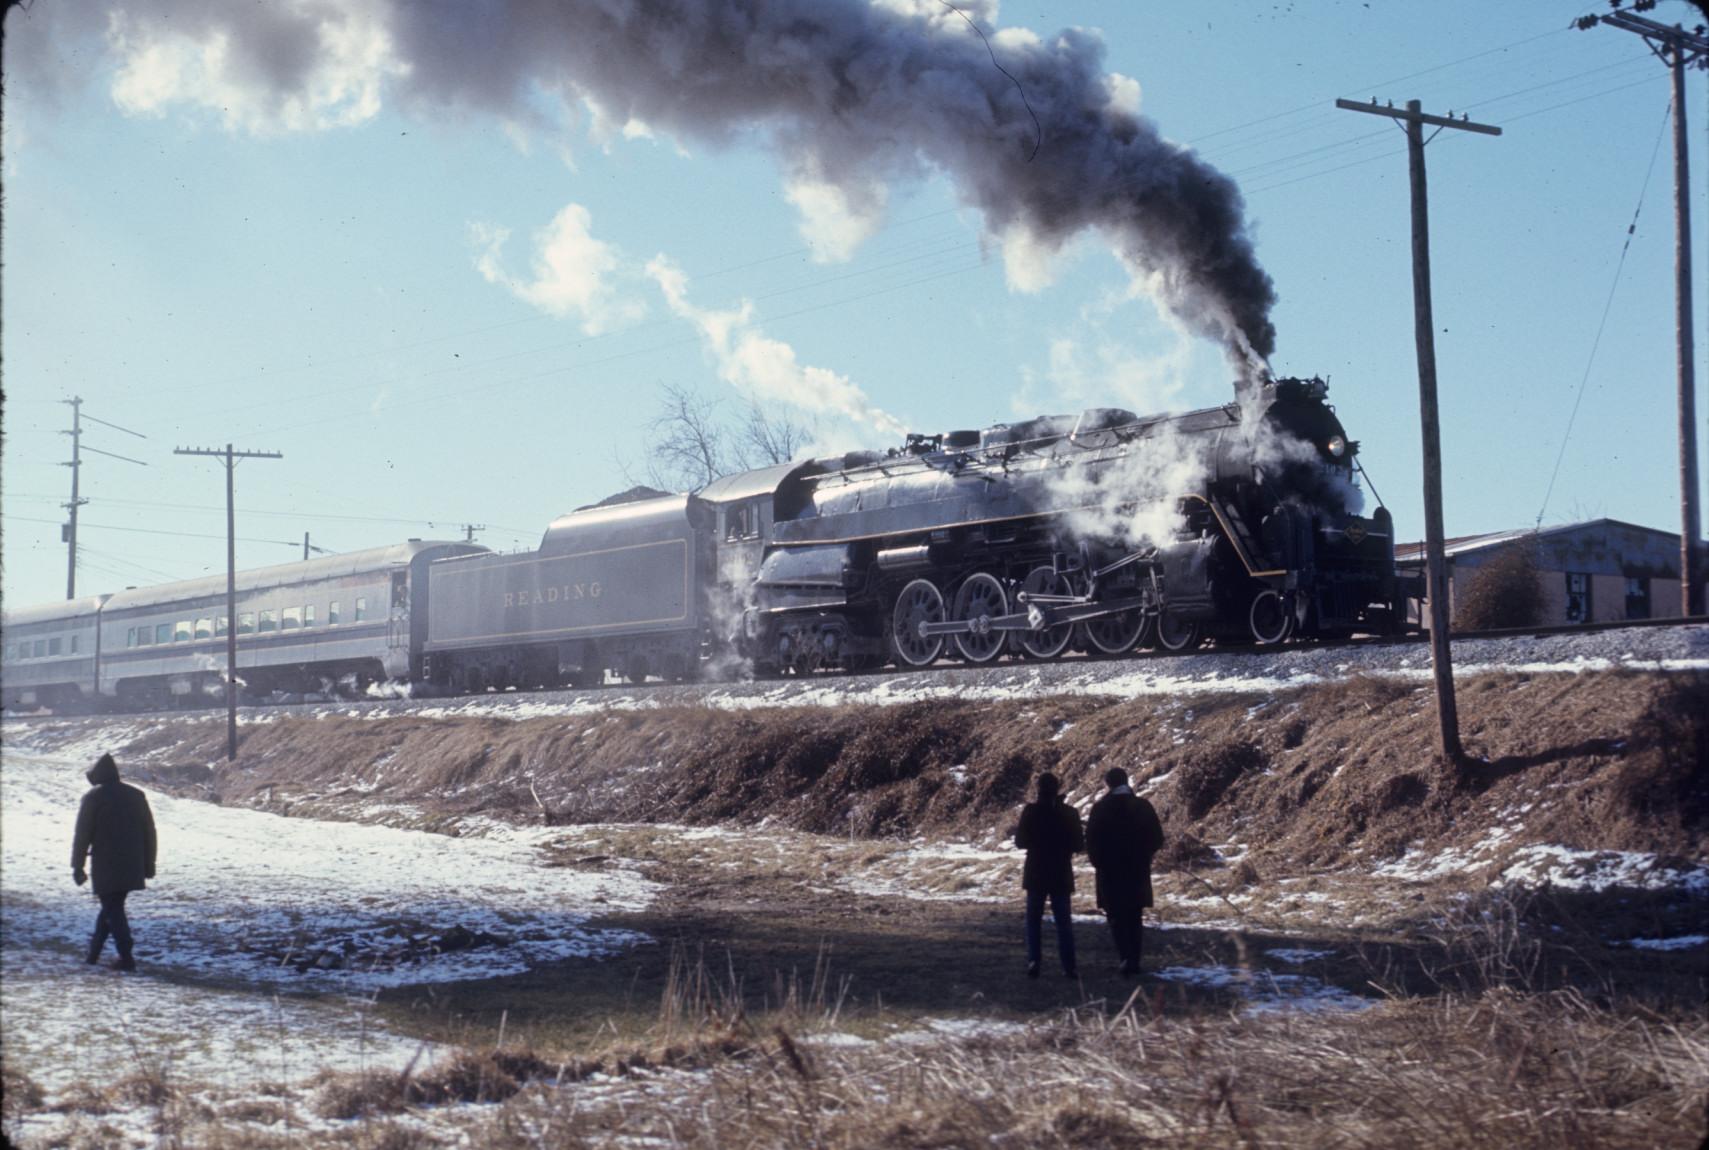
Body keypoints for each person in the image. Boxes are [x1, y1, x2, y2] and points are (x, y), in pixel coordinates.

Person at [71, 753, 157, 972]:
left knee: (112, 907)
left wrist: (77, 866)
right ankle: (93, 955)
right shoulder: (136, 795)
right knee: (111, 907)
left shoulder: (93, 798)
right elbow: (149, 833)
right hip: (132, 864)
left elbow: (83, 834)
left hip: (106, 864)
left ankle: (126, 956)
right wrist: (149, 863)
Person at [1085, 767, 1164, 977]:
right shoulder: (1142, 806)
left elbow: (1091, 841)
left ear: (1108, 784)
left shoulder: (1101, 808)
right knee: (1134, 915)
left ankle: (1125, 957)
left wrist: (1099, 863)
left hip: (1110, 870)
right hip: (1137, 869)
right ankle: (1134, 960)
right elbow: (1157, 838)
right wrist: (1145, 855)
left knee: (1116, 915)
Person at [1015, 771, 1083, 979]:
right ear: (1058, 788)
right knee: (1063, 922)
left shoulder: (1030, 811)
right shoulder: (1070, 813)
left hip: (1036, 870)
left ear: (1038, 789)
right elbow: (1079, 844)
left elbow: (1020, 841)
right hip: (1061, 871)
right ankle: (1069, 966)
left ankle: (1034, 961)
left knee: (1033, 920)